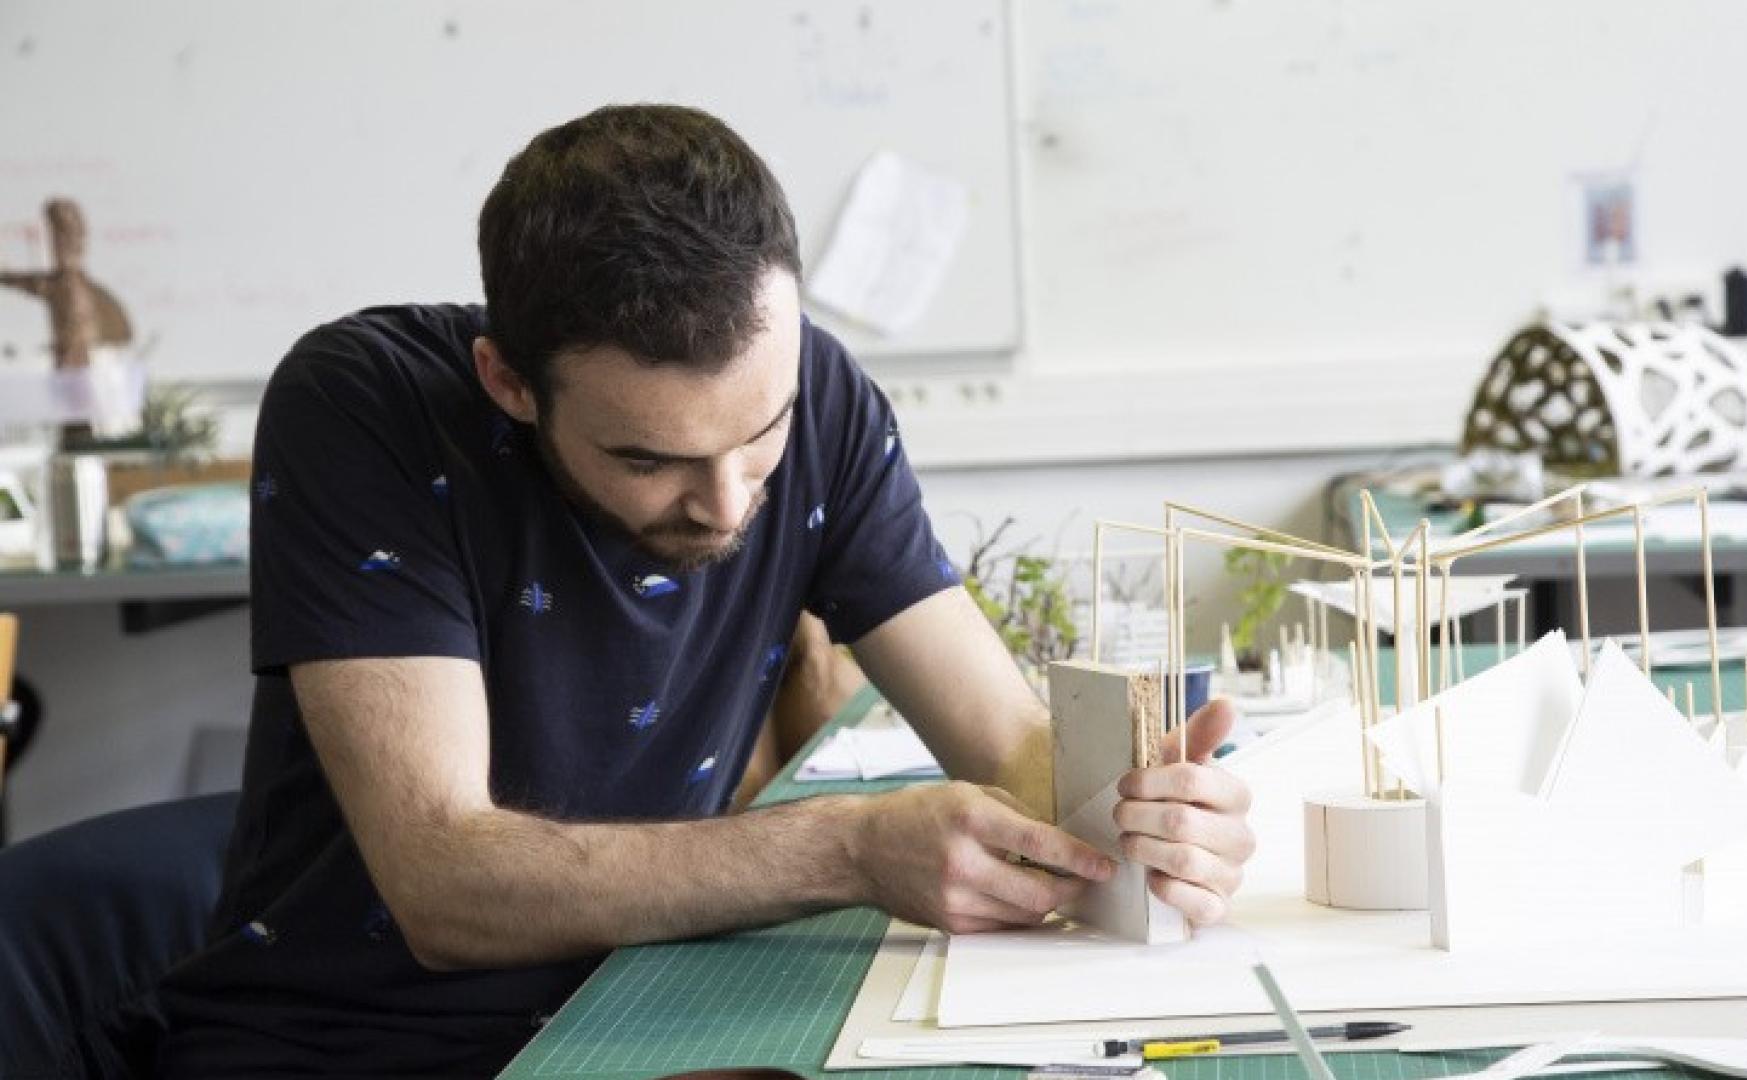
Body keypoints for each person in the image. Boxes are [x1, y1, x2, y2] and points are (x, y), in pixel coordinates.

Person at [157, 104, 1254, 1078]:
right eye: (649, 461)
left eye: (759, 434)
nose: (727, 505)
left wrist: (1133, 816)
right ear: (509, 383)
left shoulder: (821, 395)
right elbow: (444, 882)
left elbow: (1007, 739)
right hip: (354, 1046)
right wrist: (851, 848)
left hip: (640, 1007)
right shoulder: (368, 410)